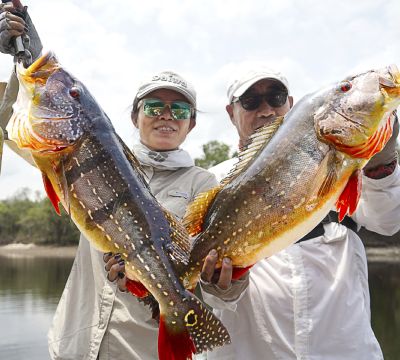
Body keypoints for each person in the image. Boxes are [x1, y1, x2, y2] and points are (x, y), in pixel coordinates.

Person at [0, 4, 218, 360]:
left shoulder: (204, 183)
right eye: (153, 106)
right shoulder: (70, 152)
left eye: (180, 110)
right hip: (74, 346)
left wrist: (146, 287)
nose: (166, 115)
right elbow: (12, 125)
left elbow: (204, 272)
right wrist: (26, 58)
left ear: (191, 124)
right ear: (134, 116)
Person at [199, 65, 400, 360]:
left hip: (344, 349)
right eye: (251, 102)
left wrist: (381, 164)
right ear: (231, 113)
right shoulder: (210, 184)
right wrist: (219, 287)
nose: (266, 109)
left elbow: (388, 221)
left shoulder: (347, 163)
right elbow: (201, 287)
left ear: (290, 104)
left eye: (276, 97)